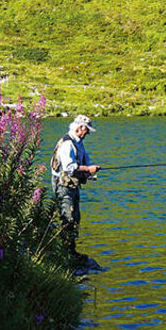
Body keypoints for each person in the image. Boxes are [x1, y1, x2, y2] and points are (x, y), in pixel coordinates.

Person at [51, 114, 101, 267]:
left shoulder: (79, 142)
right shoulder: (67, 144)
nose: (87, 134)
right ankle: (66, 253)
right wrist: (88, 169)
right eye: (87, 130)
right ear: (80, 128)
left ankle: (70, 251)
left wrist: (89, 172)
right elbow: (69, 168)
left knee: (75, 218)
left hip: (72, 185)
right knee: (68, 217)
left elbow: (85, 160)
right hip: (62, 185)